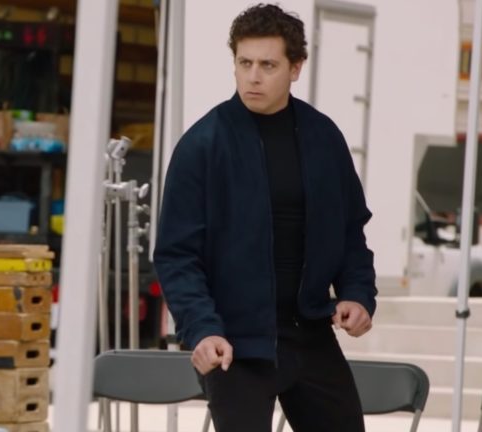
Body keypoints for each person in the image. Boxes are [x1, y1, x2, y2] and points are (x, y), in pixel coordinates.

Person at [153, 3, 377, 431]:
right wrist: (202, 329)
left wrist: (357, 293)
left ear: (296, 68)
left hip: (310, 332)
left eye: (268, 65)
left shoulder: (324, 137)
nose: (253, 76)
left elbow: (350, 232)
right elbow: (177, 255)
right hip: (234, 342)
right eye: (245, 63)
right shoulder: (202, 146)